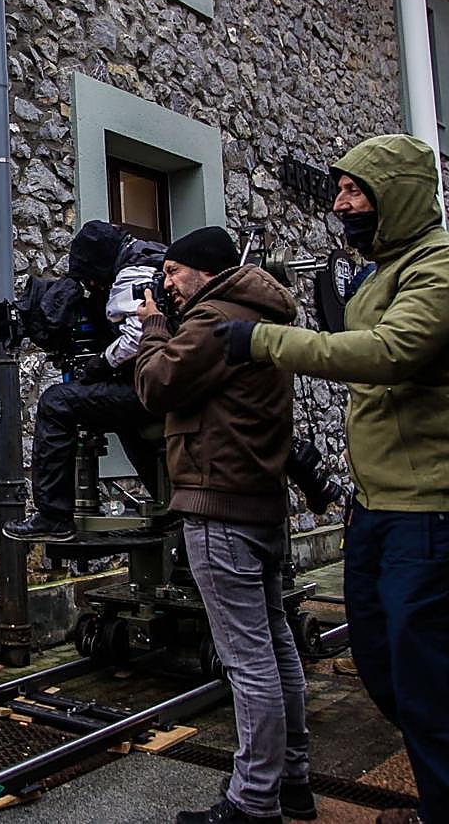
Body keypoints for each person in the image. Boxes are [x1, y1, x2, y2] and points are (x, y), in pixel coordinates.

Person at [219, 133, 449, 824]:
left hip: (426, 511)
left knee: (425, 681)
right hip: (376, 508)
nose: (341, 205)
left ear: (396, 196)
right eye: (341, 191)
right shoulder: (381, 272)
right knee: (382, 667)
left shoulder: (436, 268)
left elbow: (386, 352)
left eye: (355, 192)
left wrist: (261, 341)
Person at [135, 227, 314, 824]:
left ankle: (252, 802)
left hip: (218, 505)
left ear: (204, 271)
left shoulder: (213, 320)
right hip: (258, 501)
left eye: (173, 272)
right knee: (277, 644)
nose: (167, 284)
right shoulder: (259, 310)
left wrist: (153, 330)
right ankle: (293, 779)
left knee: (248, 660)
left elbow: (158, 384)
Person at [5, 220, 165, 541]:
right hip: (169, 382)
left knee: (56, 402)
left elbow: (136, 338)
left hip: (157, 383)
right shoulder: (157, 256)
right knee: (123, 419)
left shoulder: (131, 275)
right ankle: (171, 503)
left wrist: (100, 363)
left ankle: (53, 516)